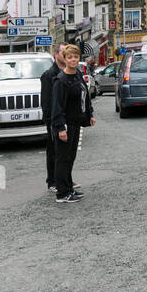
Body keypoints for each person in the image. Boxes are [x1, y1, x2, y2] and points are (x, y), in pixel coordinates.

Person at [52, 44, 95, 204]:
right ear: (64, 58)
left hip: (76, 123)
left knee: (70, 157)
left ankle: (69, 188)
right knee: (63, 159)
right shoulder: (60, 81)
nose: (73, 60)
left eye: (75, 57)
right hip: (65, 125)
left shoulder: (76, 74)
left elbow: (84, 96)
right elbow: (57, 107)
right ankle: (62, 193)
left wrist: (89, 114)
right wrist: (61, 128)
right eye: (70, 57)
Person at [40, 44, 65, 194]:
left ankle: (63, 179)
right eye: (63, 52)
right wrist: (50, 122)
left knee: (64, 152)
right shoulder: (49, 75)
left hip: (64, 117)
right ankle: (52, 181)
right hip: (53, 120)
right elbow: (46, 102)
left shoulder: (67, 71)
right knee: (54, 151)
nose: (66, 55)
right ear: (56, 55)